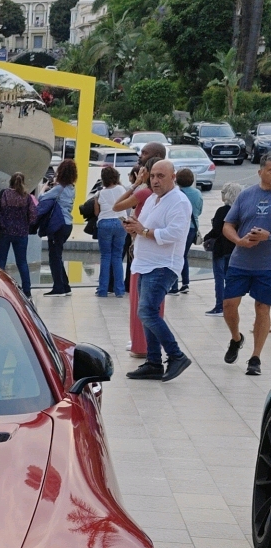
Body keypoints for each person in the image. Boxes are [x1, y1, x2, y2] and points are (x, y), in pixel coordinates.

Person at [121, 158, 192, 381]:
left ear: (173, 177)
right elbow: (143, 225)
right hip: (145, 263)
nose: (155, 180)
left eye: (161, 176)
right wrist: (133, 227)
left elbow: (174, 234)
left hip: (163, 265)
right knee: (146, 313)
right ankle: (153, 362)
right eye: (152, 176)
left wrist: (142, 231)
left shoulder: (179, 201)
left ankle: (176, 355)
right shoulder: (153, 199)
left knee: (147, 312)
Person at [115, 144, 167, 355]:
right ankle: (143, 344)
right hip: (145, 247)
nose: (140, 157)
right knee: (146, 301)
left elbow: (117, 206)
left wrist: (136, 183)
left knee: (141, 301)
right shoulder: (154, 194)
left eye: (144, 154)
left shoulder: (146, 191)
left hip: (146, 251)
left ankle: (141, 344)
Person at [222, 159, 271, 376]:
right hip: (240, 261)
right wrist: (239, 241)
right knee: (229, 304)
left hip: (267, 266)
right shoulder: (245, 195)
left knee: (263, 307)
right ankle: (236, 338)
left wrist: (268, 235)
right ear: (260, 172)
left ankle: (256, 357)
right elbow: (228, 224)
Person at [37, 157, 77, 294]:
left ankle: (58, 287)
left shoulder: (58, 188)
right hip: (67, 224)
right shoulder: (72, 188)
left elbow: (42, 198)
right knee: (57, 255)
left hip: (57, 225)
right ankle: (65, 286)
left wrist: (44, 188)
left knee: (54, 257)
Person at [0, 171, 36, 295]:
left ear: (10, 182)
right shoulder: (27, 197)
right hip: (21, 233)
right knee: (22, 262)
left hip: (3, 232)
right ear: (23, 182)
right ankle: (27, 291)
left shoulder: (4, 194)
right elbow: (33, 216)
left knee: (0, 261)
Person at [93, 164, 126, 298]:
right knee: (117, 256)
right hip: (120, 222)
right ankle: (119, 290)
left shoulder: (99, 193)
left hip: (104, 223)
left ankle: (102, 290)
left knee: (105, 256)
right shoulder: (122, 189)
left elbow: (96, 212)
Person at [205, 187, 234, 315]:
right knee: (230, 279)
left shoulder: (222, 210)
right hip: (234, 248)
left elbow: (217, 229)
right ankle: (230, 306)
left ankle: (219, 306)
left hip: (220, 248)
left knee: (219, 278)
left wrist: (206, 238)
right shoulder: (239, 210)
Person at [173, 168, 203, 293]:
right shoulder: (197, 193)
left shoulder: (176, 193)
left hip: (180, 227)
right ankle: (185, 283)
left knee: (176, 255)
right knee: (184, 255)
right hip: (193, 227)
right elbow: (199, 211)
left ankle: (174, 286)